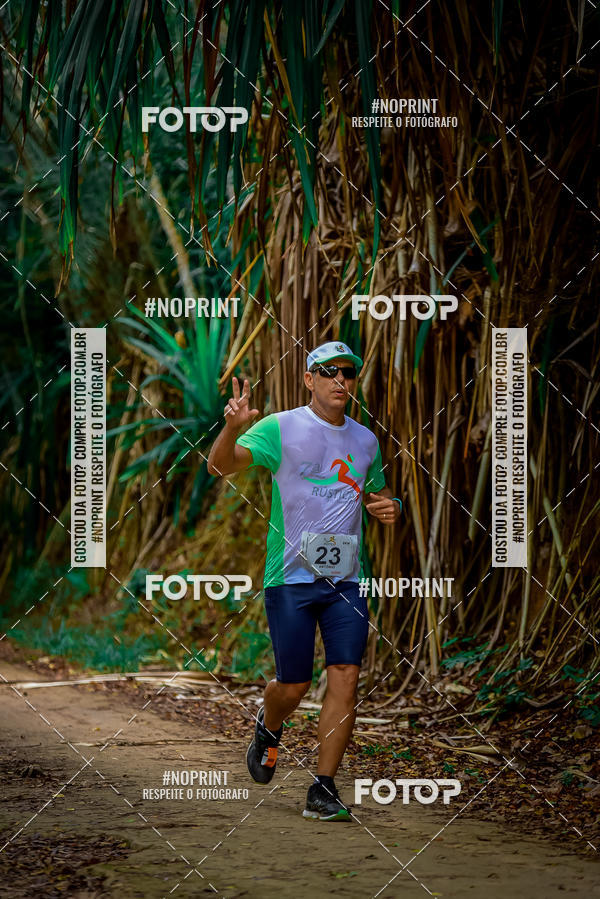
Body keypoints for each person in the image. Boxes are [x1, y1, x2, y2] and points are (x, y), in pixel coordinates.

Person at [207, 341, 401, 821]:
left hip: (347, 581)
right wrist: (232, 430)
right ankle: (269, 725)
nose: (340, 380)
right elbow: (220, 465)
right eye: (328, 371)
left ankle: (324, 786)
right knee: (293, 686)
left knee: (347, 677)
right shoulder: (281, 428)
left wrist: (389, 507)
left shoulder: (365, 441)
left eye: (349, 373)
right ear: (309, 379)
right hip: (290, 579)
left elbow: (377, 494)